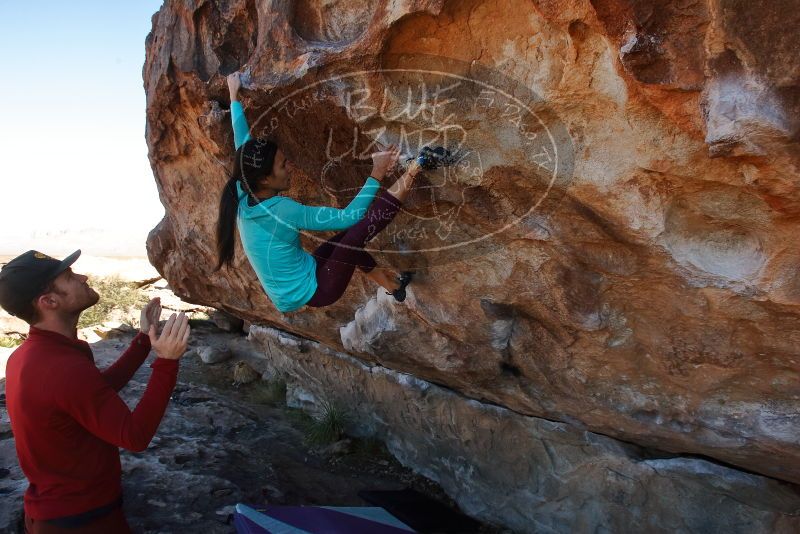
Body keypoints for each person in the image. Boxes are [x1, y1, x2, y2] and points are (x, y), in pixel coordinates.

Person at [0, 249, 191, 533]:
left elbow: (95, 393)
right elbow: (134, 436)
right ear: (49, 301)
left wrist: (142, 340)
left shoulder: (32, 355)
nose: (83, 276)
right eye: (69, 277)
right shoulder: (62, 367)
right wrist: (167, 363)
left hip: (59, 512)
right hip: (82, 519)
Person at [214, 71, 423, 313]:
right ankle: (416, 168)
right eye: (282, 166)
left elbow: (242, 142)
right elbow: (349, 217)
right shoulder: (281, 210)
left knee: (346, 242)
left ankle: (394, 287)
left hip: (303, 275)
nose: (289, 167)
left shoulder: (244, 188)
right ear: (264, 179)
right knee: (355, 234)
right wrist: (377, 172)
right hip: (318, 290)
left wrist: (234, 96)